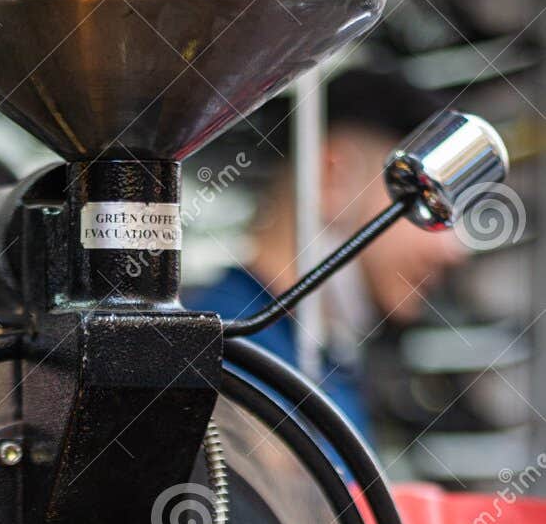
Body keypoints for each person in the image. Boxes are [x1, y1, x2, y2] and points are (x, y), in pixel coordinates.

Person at [186, 69, 469, 441]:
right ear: (333, 176)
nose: (454, 251)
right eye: (429, 203)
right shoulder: (229, 363)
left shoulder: (323, 362)